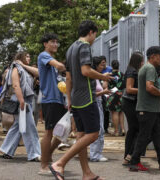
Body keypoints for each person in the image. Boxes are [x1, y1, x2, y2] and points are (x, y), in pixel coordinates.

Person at [49, 20, 112, 180]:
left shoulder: (71, 48)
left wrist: (69, 99)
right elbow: (86, 70)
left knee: (81, 135)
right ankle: (60, 163)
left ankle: (87, 173)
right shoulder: (84, 47)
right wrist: (103, 76)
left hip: (76, 98)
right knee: (93, 134)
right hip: (87, 96)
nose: (94, 38)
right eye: (95, 34)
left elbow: (68, 77)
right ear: (91, 32)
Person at [129, 46, 160, 171]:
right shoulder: (150, 68)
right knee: (143, 136)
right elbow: (149, 88)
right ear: (152, 56)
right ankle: (134, 161)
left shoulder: (146, 68)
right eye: (159, 56)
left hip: (151, 109)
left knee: (156, 136)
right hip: (147, 109)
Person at [0, 52, 41, 161]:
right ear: (20, 57)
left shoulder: (24, 68)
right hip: (20, 99)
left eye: (29, 56)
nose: (29, 58)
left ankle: (7, 150)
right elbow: (16, 85)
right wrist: (22, 101)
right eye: (26, 56)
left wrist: (23, 65)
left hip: (26, 99)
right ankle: (34, 154)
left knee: (18, 126)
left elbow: (39, 73)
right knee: (30, 127)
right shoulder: (16, 68)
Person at [37, 33, 67, 174]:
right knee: (49, 132)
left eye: (57, 42)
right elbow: (60, 66)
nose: (55, 44)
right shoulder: (44, 56)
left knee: (62, 132)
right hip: (50, 99)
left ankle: (47, 158)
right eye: (52, 42)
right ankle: (43, 166)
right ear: (45, 44)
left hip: (59, 99)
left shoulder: (50, 59)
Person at [122, 52, 144, 165]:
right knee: (136, 129)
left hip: (130, 103)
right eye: (142, 61)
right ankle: (129, 155)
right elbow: (129, 89)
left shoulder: (131, 69)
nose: (143, 63)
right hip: (130, 103)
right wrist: (144, 90)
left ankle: (128, 155)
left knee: (133, 130)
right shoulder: (132, 70)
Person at [89, 56, 111, 162]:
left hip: (98, 102)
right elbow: (91, 94)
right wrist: (103, 92)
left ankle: (97, 153)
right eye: (102, 64)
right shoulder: (92, 77)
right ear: (96, 65)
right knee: (98, 129)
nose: (104, 66)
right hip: (95, 103)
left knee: (100, 129)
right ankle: (95, 154)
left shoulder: (97, 77)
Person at [105, 60, 125, 136]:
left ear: (112, 66)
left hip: (112, 95)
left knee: (114, 113)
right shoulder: (122, 74)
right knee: (121, 112)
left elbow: (105, 86)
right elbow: (124, 84)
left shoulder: (109, 74)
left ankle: (116, 131)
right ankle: (122, 129)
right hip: (120, 94)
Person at [101, 56, 112, 134]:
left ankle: (105, 127)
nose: (103, 64)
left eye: (104, 62)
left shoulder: (109, 69)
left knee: (106, 111)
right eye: (102, 63)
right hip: (100, 91)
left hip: (108, 92)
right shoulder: (98, 70)